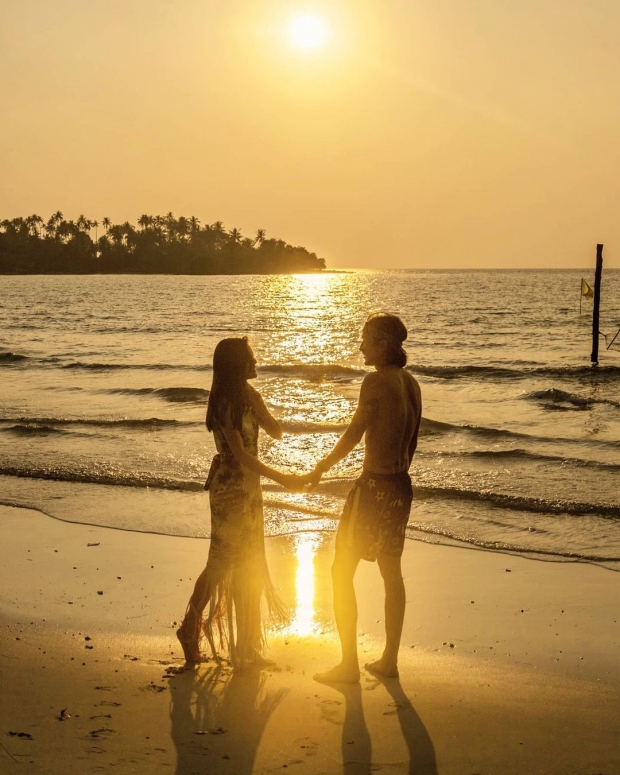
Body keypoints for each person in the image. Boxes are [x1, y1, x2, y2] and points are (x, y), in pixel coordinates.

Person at [176, 337, 303, 668]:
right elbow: (240, 455)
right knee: (220, 563)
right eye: (250, 358)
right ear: (236, 365)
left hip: (249, 492)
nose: (256, 362)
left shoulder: (246, 397)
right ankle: (190, 628)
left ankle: (247, 647)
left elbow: (275, 431)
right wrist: (283, 478)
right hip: (231, 491)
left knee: (248, 563)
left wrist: (259, 403)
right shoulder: (225, 403)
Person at [310, 313, 422, 683]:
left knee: (341, 571)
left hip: (374, 487)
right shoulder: (412, 383)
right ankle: (389, 660)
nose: (360, 346)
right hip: (401, 486)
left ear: (383, 344)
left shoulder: (374, 382)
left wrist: (321, 467)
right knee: (392, 574)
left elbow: (355, 433)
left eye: (366, 339)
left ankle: (347, 666)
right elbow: (412, 442)